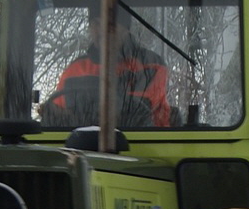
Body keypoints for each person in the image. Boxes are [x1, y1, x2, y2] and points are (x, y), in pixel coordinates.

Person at [42, 11, 175, 128]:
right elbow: (59, 116)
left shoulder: (151, 66)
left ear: (125, 29)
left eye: (110, 23)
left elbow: (142, 114)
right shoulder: (75, 69)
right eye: (96, 24)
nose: (102, 31)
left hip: (138, 144)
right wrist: (52, 112)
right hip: (81, 148)